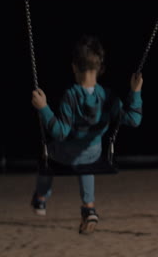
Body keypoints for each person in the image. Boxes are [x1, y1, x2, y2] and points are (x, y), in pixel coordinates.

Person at [30, 35, 143, 234]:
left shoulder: (71, 96)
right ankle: (88, 207)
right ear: (100, 67)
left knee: (46, 156)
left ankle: (41, 198)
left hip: (65, 155)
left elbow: (60, 132)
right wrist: (135, 92)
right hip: (93, 154)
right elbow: (133, 119)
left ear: (74, 67)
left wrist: (44, 108)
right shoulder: (108, 96)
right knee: (86, 159)